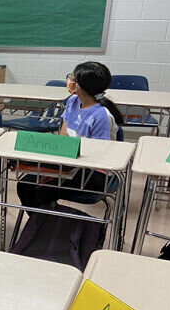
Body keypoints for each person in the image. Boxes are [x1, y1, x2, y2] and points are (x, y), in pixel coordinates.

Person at [16, 61, 124, 209]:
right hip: (71, 164)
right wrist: (54, 165)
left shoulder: (101, 115)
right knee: (24, 184)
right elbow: (63, 138)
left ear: (79, 85)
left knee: (40, 191)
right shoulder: (73, 101)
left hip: (94, 171)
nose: (68, 81)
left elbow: (99, 154)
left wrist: (64, 170)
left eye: (71, 78)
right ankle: (43, 225)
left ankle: (53, 226)